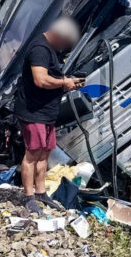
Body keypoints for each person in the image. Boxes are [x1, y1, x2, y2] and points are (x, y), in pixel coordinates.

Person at [15, 16, 84, 215]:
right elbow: (40, 80)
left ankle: (41, 192)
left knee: (44, 154)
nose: (65, 46)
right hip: (33, 111)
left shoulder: (52, 49)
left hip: (47, 112)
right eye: (65, 41)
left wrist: (69, 83)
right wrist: (64, 82)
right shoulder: (40, 49)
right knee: (32, 155)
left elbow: (51, 79)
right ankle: (29, 197)